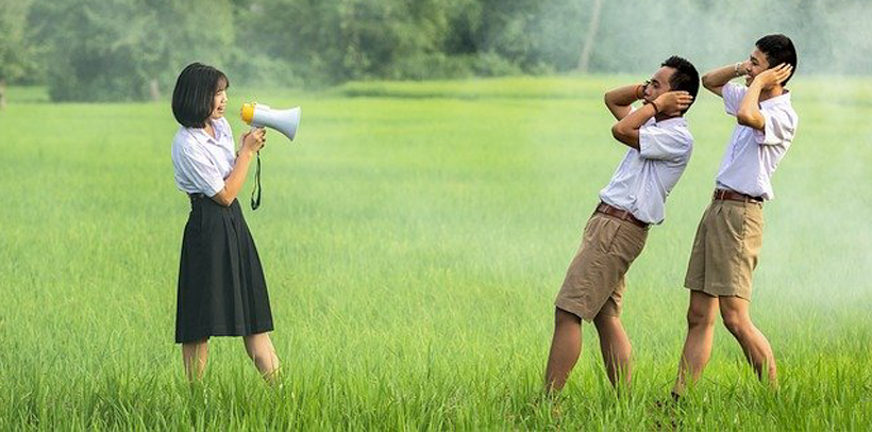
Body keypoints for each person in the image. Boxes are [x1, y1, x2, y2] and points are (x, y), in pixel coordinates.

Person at [545, 56, 699, 392]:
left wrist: (655, 104)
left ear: (679, 98)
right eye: (649, 83)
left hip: (618, 228)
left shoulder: (676, 137)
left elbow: (620, 129)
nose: (648, 90)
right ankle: (624, 401)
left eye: (657, 84)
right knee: (605, 316)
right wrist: (649, 92)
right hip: (610, 224)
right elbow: (612, 99)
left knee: (568, 312)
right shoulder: (654, 125)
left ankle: (547, 403)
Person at [672, 34, 798, 397]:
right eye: (749, 61)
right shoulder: (751, 93)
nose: (748, 68)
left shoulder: (782, 114)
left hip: (742, 214)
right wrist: (746, 70)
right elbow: (710, 81)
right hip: (718, 208)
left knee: (735, 318)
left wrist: (759, 81)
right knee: (698, 314)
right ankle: (679, 398)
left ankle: (775, 398)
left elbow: (746, 116)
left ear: (777, 73)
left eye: (755, 62)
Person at [170, 62, 280, 382]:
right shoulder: (187, 144)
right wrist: (246, 153)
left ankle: (283, 394)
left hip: (234, 225)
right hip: (207, 227)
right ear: (196, 96)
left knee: (254, 316)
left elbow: (232, 179)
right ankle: (196, 398)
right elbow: (225, 194)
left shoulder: (221, 129)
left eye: (224, 92)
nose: (224, 100)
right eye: (217, 93)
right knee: (198, 322)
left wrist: (245, 151)